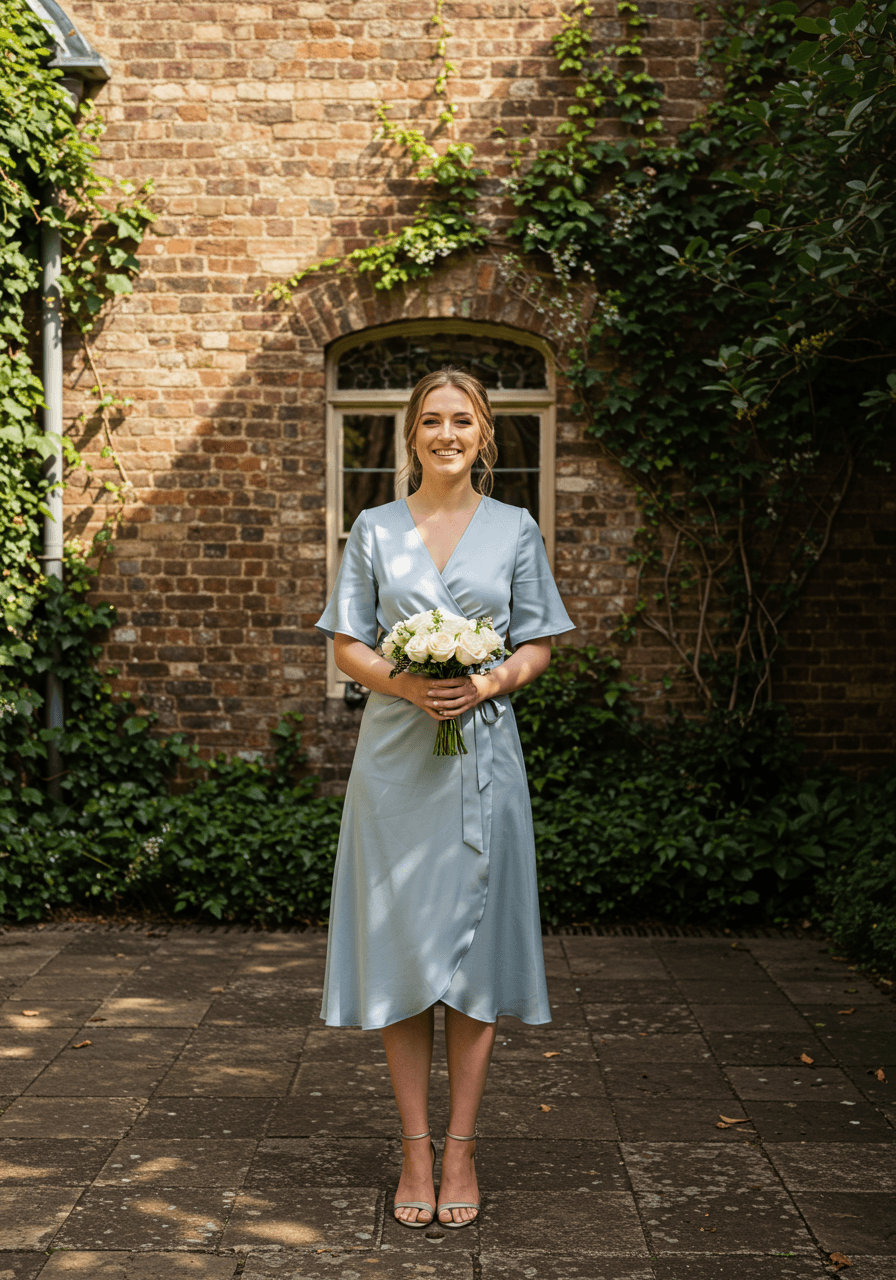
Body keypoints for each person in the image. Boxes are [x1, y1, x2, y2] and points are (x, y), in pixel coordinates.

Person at [315, 366, 574, 1229]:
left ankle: (461, 1148)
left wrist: (493, 678)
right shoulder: (375, 529)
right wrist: (404, 684)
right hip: (395, 768)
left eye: (462, 420)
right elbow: (348, 644)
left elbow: (539, 641)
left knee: (473, 958)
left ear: (486, 433)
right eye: (432, 420)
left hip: (483, 767)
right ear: (411, 434)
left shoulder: (514, 529)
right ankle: (413, 1147)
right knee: (402, 954)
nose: (447, 434)